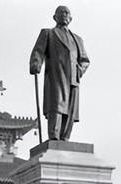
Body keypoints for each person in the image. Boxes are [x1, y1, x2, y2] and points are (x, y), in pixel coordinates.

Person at [29, 5, 90, 141]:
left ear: (71, 18)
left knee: (70, 109)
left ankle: (65, 137)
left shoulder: (78, 40)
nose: (64, 15)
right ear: (54, 17)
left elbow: (85, 60)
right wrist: (35, 63)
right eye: (61, 12)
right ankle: (54, 137)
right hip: (56, 75)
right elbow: (38, 52)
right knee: (56, 105)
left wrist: (79, 70)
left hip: (73, 78)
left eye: (67, 13)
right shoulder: (48, 33)